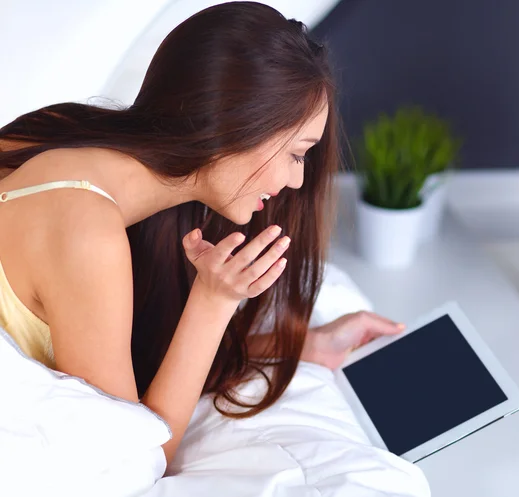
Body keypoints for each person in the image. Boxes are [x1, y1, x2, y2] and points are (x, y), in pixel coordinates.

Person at [0, 1, 403, 466]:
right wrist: (212, 303)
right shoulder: (87, 236)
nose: (296, 180)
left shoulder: (58, 130)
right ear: (237, 126)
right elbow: (132, 462)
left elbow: (125, 356)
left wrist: (296, 345)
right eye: (297, 154)